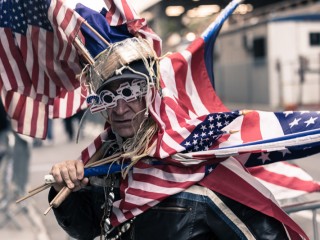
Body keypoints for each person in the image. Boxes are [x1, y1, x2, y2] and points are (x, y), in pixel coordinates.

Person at [49, 37, 291, 240]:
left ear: (153, 94)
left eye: (130, 93)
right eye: (109, 98)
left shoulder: (197, 160)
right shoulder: (108, 160)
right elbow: (87, 229)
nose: (120, 110)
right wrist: (65, 190)